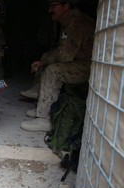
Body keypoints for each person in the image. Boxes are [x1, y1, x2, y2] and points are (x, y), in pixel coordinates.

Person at [20, 0, 95, 132]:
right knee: (45, 59)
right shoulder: (69, 21)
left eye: (54, 6)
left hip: (88, 66)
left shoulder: (75, 23)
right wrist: (44, 60)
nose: (50, 10)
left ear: (66, 6)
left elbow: (65, 56)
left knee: (53, 70)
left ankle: (44, 118)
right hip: (79, 61)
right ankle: (40, 101)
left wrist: (45, 62)